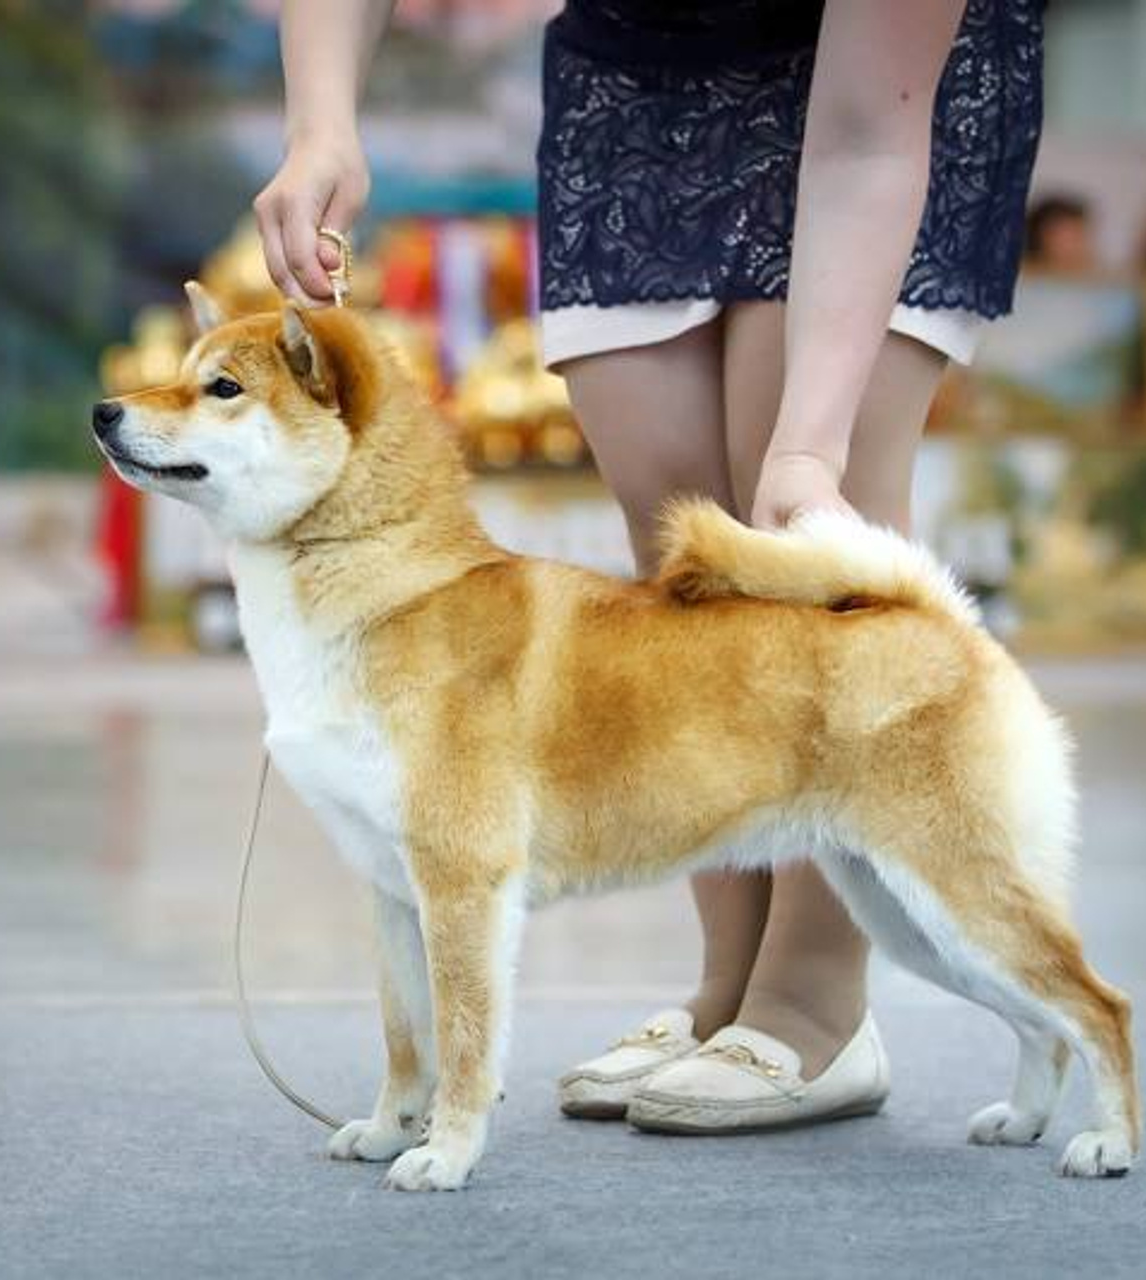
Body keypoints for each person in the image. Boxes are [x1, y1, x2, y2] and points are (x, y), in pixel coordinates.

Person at [253, 0, 1044, 1134]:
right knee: (675, 558)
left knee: (803, 556)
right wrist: (318, 124)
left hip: (876, 99)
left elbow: (869, 134)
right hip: (634, 80)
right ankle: (728, 983)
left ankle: (813, 1000)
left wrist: (809, 446)